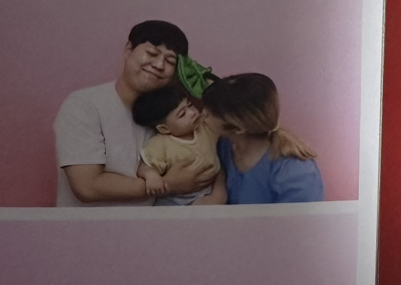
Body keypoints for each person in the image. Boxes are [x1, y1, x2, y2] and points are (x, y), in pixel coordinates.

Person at [53, 21, 218, 206]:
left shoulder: (172, 114)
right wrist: (169, 185)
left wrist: (193, 79)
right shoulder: (84, 105)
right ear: (128, 50)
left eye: (170, 61)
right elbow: (87, 187)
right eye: (152, 53)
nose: (159, 64)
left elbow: (223, 113)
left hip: (151, 224)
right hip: (91, 225)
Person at [201, 73, 323, 204]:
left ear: (238, 129)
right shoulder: (223, 146)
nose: (203, 113)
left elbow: (299, 217)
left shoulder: (296, 172)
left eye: (212, 112)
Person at [132, 78, 226, 208]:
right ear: (164, 129)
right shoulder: (161, 144)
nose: (192, 113)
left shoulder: (205, 128)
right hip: (174, 198)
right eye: (182, 114)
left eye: (190, 105)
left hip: (207, 192)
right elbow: (145, 166)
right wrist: (151, 176)